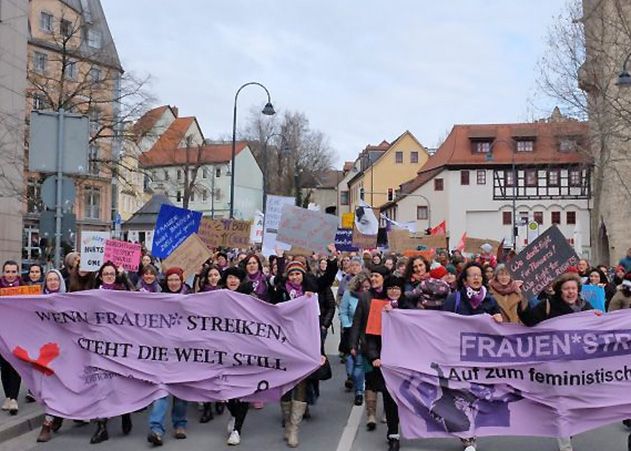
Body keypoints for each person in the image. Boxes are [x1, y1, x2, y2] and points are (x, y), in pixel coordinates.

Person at [518, 272, 593, 451]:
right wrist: (522, 298)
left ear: (578, 290)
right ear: (560, 291)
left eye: (573, 288)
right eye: (567, 289)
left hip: (579, 366)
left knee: (575, 406)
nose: (570, 292)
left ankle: (567, 429)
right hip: (556, 365)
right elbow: (529, 320)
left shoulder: (585, 306)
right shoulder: (548, 305)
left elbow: (595, 328)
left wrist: (599, 318)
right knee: (562, 405)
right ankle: (565, 444)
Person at [442, 262, 503, 451]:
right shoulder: (455, 299)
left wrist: (498, 318)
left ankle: (472, 432)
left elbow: (498, 322)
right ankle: (468, 438)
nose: (476, 278)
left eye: (479, 275)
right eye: (472, 275)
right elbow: (441, 323)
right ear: (465, 279)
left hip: (482, 357)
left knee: (479, 395)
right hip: (459, 355)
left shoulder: (490, 300)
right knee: (462, 394)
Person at [90, 262, 133, 444]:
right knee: (101, 385)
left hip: (120, 346)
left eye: (112, 274)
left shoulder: (123, 293)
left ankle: (125, 413)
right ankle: (102, 427)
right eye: (106, 273)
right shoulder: (92, 295)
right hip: (99, 347)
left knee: (120, 383)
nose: (109, 276)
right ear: (100, 276)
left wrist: (126, 278)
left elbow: (138, 305)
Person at [146, 268, 188, 446]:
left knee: (181, 391)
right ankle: (156, 429)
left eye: (176, 279)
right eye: (170, 279)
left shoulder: (191, 299)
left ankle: (180, 424)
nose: (173, 283)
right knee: (161, 390)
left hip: (184, 353)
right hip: (162, 353)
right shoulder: (159, 300)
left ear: (181, 281)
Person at [366, 275, 407, 451]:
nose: (394, 291)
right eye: (390, 288)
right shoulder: (378, 307)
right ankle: (393, 435)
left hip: (406, 362)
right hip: (386, 362)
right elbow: (371, 338)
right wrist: (374, 356)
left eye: (397, 288)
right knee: (390, 399)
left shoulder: (409, 308)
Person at [350, 265, 389, 432]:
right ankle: (371, 414)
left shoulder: (391, 296)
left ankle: (388, 411)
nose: (373, 279)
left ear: (384, 279)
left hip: (389, 346)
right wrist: (353, 344)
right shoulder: (365, 297)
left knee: (388, 382)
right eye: (372, 276)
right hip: (368, 345)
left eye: (377, 276)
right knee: (371, 380)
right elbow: (357, 322)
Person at [220, 266, 254, 446]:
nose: (232, 281)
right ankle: (233, 414)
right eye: (229, 278)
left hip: (245, 349)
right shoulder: (218, 298)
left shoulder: (250, 297)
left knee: (243, 391)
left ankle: (237, 430)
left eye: (236, 278)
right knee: (224, 390)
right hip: (222, 351)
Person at [36, 270, 67, 442]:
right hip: (44, 352)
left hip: (64, 352)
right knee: (48, 388)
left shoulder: (68, 301)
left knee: (60, 387)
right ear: (45, 282)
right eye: (50, 280)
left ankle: (52, 420)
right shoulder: (37, 301)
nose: (53, 282)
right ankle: (52, 419)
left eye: (56, 279)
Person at [339, 272, 371, 404]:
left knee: (359, 362)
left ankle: (359, 391)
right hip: (351, 329)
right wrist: (347, 325)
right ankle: (352, 377)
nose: (365, 290)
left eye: (367, 287)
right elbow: (344, 311)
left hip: (365, 332)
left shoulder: (370, 297)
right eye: (363, 287)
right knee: (350, 358)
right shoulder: (348, 294)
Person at [0, 261, 22, 415]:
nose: (10, 274)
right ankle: (7, 396)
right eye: (8, 271)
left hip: (18, 333)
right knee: (4, 365)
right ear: (3, 273)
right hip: (1, 333)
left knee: (15, 365)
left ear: (18, 273)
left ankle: (14, 398)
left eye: (13, 271)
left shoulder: (25, 289)